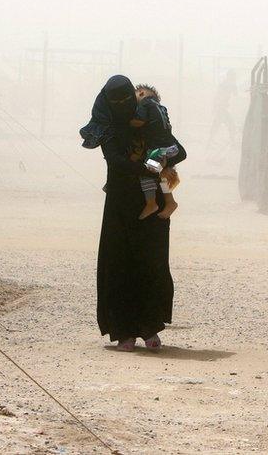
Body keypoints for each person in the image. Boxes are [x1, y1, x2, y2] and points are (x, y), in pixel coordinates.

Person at [80, 75, 186, 352]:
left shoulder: (149, 118)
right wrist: (148, 168)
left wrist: (161, 158)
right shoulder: (107, 126)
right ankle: (124, 332)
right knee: (119, 265)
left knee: (151, 264)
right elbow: (114, 161)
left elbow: (180, 152)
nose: (123, 105)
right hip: (120, 204)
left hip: (151, 208)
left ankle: (150, 328)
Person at [130, 84, 181, 220]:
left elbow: (139, 121)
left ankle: (152, 203)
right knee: (163, 175)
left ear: (141, 93)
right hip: (171, 148)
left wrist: (126, 122)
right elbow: (168, 127)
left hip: (159, 150)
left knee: (147, 173)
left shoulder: (145, 104)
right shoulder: (161, 107)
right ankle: (170, 202)